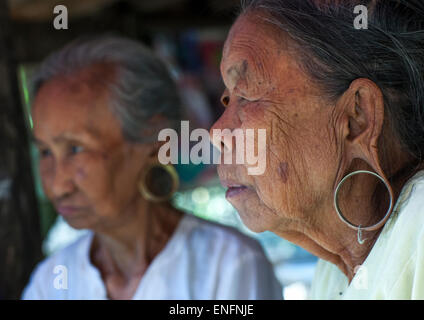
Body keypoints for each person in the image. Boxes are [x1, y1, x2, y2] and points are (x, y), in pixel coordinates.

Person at [22, 36, 282, 300]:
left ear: (155, 142)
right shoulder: (52, 281)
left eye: (76, 149)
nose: (56, 186)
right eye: (45, 152)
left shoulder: (228, 266)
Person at [210, 0, 424, 299]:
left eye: (245, 96)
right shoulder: (334, 274)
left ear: (356, 118)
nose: (217, 132)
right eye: (226, 100)